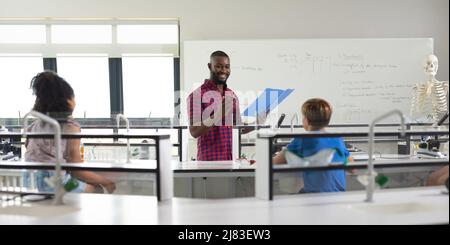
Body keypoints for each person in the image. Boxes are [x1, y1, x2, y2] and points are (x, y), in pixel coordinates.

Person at [25, 71, 116, 193]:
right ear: (67, 100)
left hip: (28, 181)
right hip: (56, 184)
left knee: (83, 184)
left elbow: (33, 151)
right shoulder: (71, 127)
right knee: (96, 189)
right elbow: (76, 169)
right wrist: (106, 182)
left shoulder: (33, 126)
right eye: (73, 96)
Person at [187, 51, 258, 161]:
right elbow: (194, 131)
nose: (223, 70)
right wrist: (218, 113)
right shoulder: (196, 95)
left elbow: (238, 128)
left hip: (232, 160)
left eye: (227, 67)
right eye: (219, 66)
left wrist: (257, 123)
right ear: (210, 66)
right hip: (209, 163)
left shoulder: (231, 94)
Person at [272, 98, 350, 193]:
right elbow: (352, 168)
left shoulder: (303, 139)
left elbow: (275, 162)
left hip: (316, 197)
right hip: (340, 196)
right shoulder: (337, 139)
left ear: (306, 120)